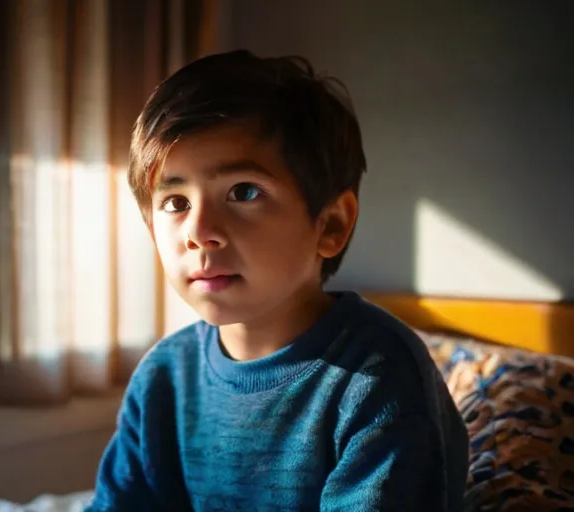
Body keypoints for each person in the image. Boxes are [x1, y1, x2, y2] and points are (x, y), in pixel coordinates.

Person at [85, 50, 468, 511]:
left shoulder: (378, 378)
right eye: (175, 202)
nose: (198, 232)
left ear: (330, 226)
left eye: (243, 191)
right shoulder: (163, 376)